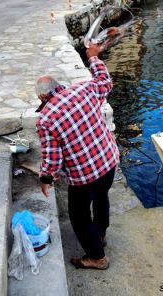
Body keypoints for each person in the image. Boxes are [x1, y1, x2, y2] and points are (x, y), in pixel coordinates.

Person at [35, 43, 119, 270]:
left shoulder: (45, 119)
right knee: (102, 197)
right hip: (109, 162)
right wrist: (93, 57)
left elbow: (53, 160)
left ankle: (97, 257)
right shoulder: (84, 89)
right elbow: (105, 81)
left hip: (85, 177)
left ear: (43, 95)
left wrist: (46, 179)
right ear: (58, 86)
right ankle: (100, 235)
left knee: (79, 216)